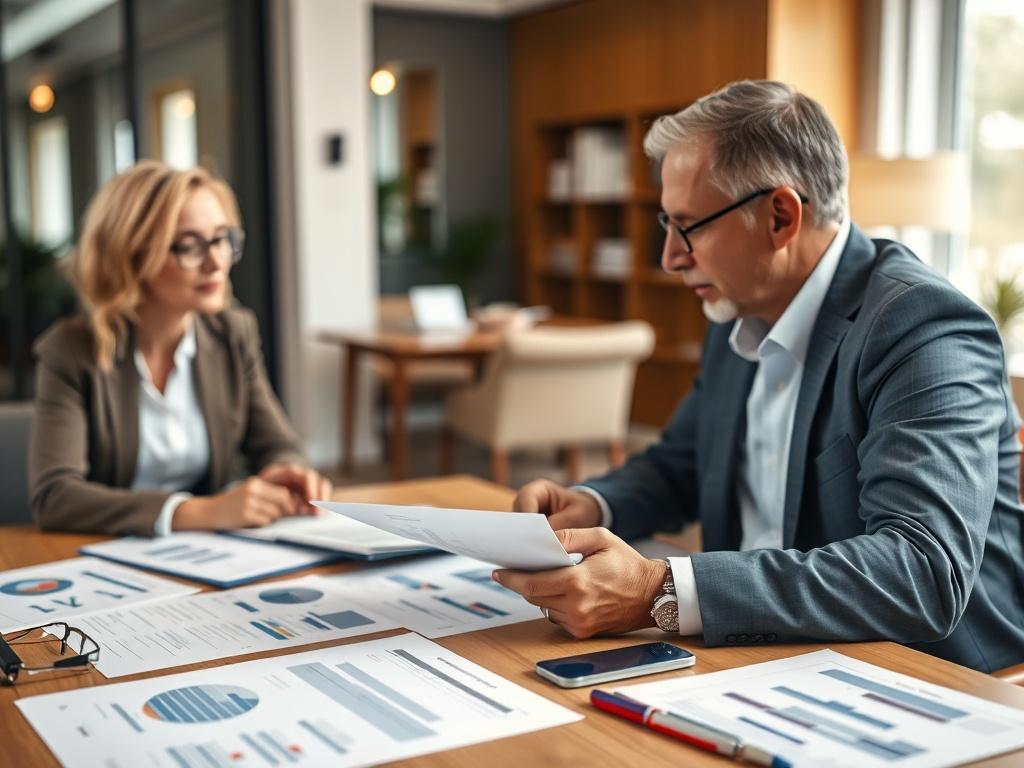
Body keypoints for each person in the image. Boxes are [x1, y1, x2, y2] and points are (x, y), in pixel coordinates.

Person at [493, 80, 1024, 674]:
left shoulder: (923, 327)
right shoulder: (737, 309)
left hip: (930, 676)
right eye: (666, 225)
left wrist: (656, 590)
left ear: (780, 216)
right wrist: (592, 506)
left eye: (687, 227)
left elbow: (921, 572)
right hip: (762, 651)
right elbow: (684, 464)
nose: (669, 257)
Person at [29, 160, 331, 536]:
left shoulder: (233, 333)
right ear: (133, 256)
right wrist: (195, 512)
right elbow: (55, 497)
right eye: (190, 246)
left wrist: (285, 471)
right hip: (107, 555)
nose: (216, 262)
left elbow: (277, 444)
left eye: (222, 239)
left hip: (211, 553)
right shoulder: (71, 350)